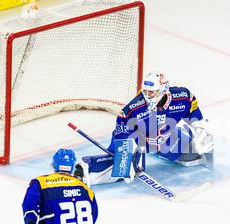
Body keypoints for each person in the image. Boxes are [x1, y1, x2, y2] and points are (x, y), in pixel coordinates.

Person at [76, 71, 213, 185]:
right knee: (124, 169)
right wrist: (126, 154)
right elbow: (122, 131)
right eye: (145, 91)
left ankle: (158, 151)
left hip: (163, 137)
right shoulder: (134, 108)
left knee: (192, 155)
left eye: (151, 92)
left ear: (163, 90)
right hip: (137, 139)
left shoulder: (183, 97)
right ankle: (85, 167)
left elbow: (194, 114)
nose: (147, 95)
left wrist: (200, 130)